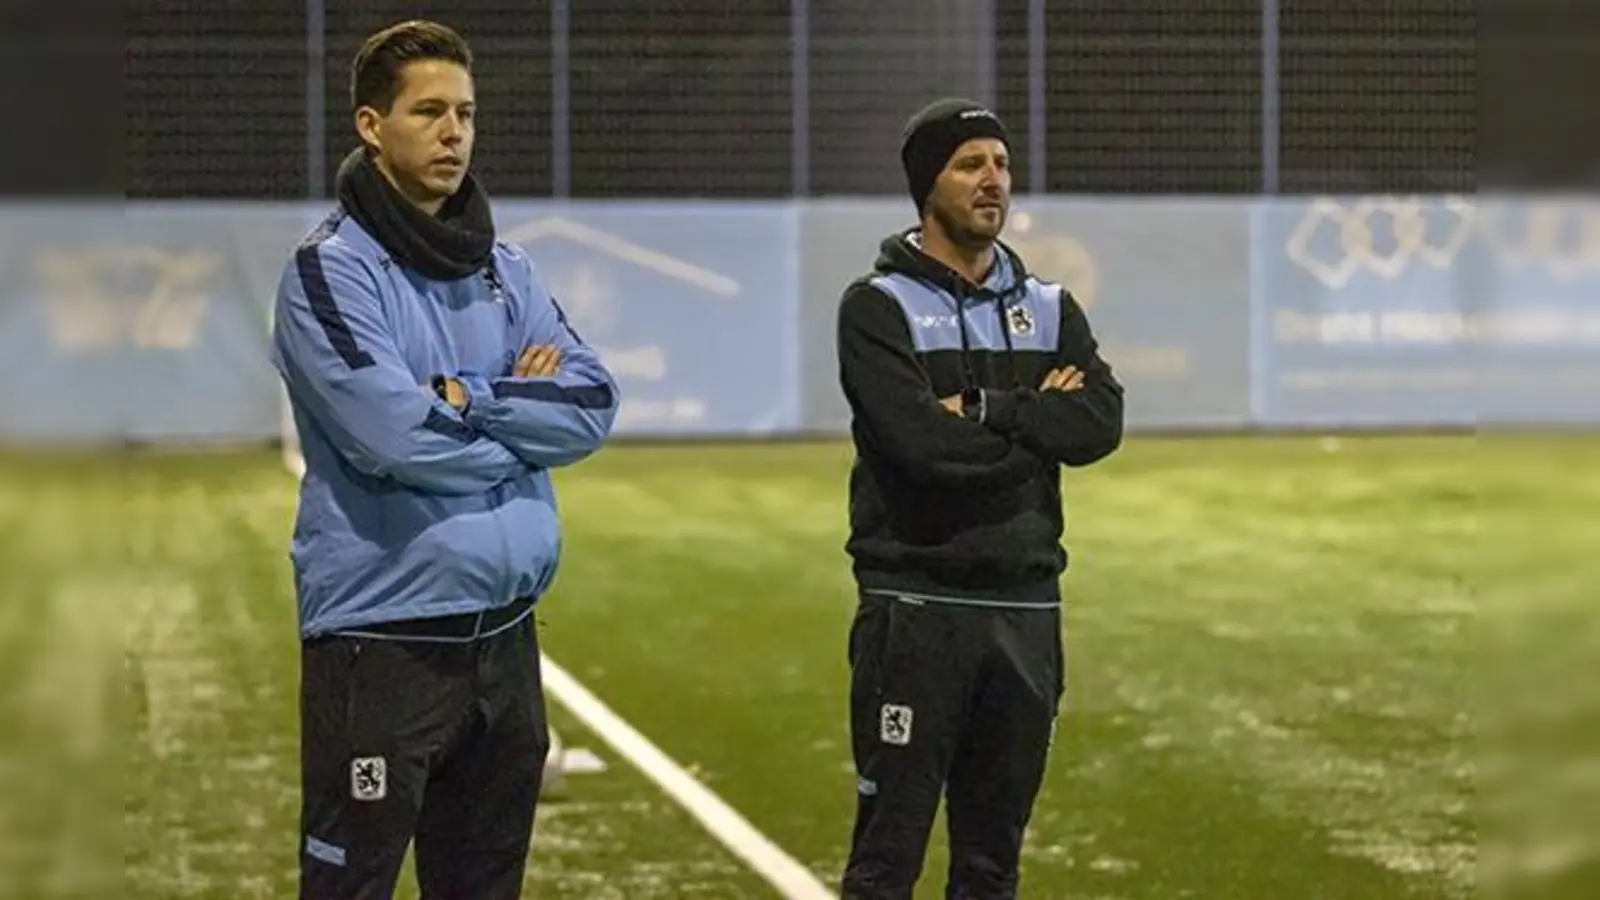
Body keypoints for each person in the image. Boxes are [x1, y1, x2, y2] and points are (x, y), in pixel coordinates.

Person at [269, 19, 619, 900]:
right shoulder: (330, 273)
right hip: (383, 647)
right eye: (428, 111)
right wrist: (509, 414)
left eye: (464, 112)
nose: (453, 132)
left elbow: (591, 407)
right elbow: (392, 435)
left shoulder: (508, 267)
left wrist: (467, 397)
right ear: (369, 125)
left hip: (505, 642)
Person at [833, 98, 1125, 898]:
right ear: (928, 185)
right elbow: (923, 449)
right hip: (915, 603)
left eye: (999, 163)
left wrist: (992, 410)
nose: (992, 180)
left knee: (993, 864)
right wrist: (1039, 421)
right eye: (970, 164)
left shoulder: (1052, 305)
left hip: (1028, 607)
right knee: (886, 858)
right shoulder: (877, 307)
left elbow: (1101, 422)